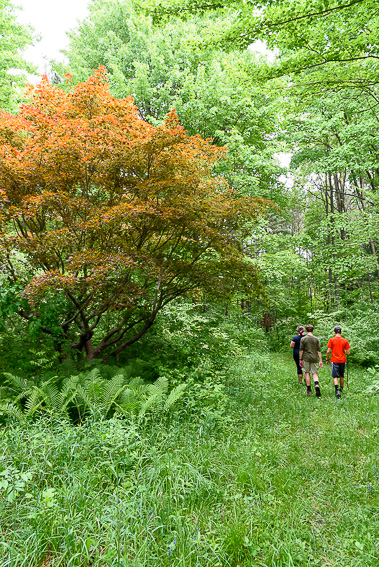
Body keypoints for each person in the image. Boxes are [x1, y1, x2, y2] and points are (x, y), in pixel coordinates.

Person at [326, 326, 351, 398]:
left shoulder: (331, 340)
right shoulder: (345, 340)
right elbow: (348, 352)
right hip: (343, 360)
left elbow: (328, 351)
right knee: (341, 375)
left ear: (334, 332)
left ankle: (337, 390)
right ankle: (341, 388)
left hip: (334, 360)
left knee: (335, 376)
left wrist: (327, 359)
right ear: (341, 332)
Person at [299, 324, 323, 397]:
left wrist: (300, 359)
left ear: (306, 330)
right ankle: (316, 384)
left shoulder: (303, 339)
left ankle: (309, 390)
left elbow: (301, 350)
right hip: (314, 358)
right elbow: (319, 351)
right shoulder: (316, 339)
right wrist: (320, 360)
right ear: (312, 330)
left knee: (307, 373)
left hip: (306, 358)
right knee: (314, 373)